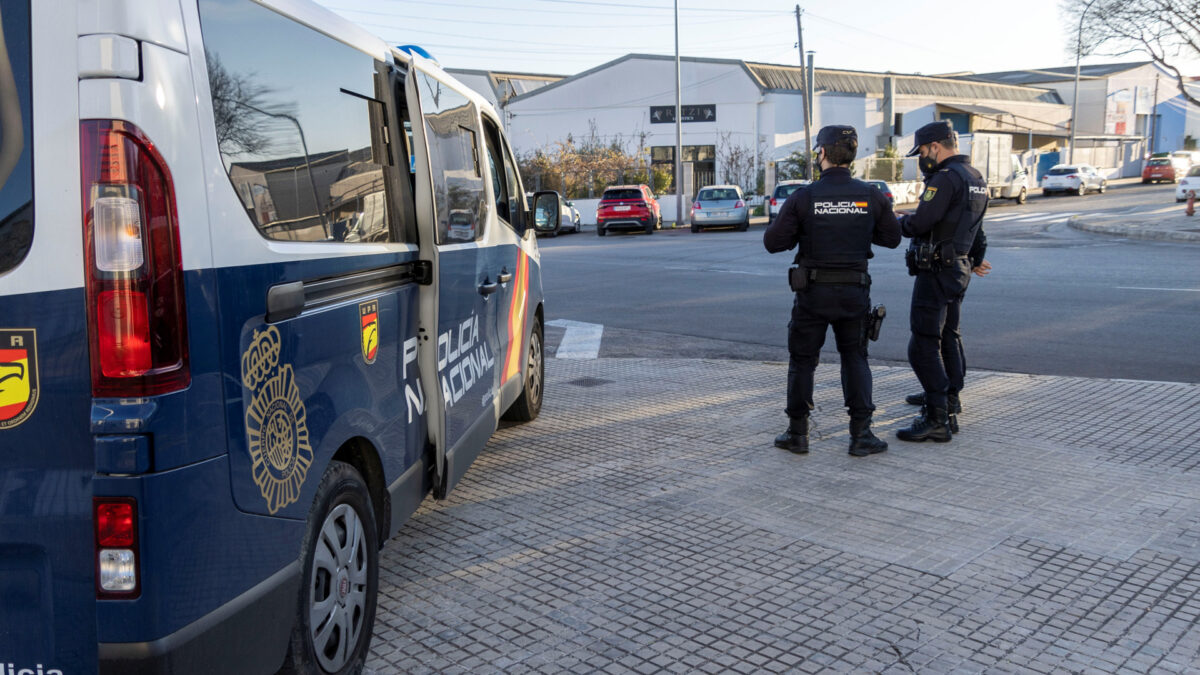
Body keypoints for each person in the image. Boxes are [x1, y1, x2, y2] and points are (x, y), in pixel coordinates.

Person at [764, 125, 902, 456]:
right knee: (855, 358)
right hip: (854, 294)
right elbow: (893, 238)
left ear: (822, 153)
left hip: (812, 294)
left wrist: (802, 229)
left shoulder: (804, 197)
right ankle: (861, 435)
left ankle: (798, 435)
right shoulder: (870, 195)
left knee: (802, 361)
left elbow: (773, 242)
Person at [894, 121, 987, 443]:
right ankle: (949, 398)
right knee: (949, 336)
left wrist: (899, 221)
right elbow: (976, 227)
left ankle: (936, 416)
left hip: (936, 270)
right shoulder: (975, 177)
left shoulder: (945, 179)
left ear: (935, 146)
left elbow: (921, 222)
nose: (921, 157)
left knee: (922, 343)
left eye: (921, 151)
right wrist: (973, 259)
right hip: (958, 268)